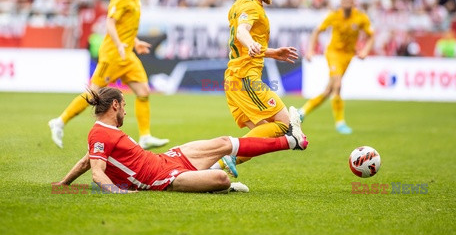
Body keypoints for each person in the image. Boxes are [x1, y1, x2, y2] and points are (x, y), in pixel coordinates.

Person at [54, 87, 308, 193]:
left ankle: (290, 141)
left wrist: (64, 182)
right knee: (221, 179)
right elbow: (97, 172)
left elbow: (87, 161)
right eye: (125, 107)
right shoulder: (99, 133)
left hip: (167, 159)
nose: (126, 112)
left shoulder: (103, 133)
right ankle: (216, 183)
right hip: (163, 179)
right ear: (116, 105)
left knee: (223, 142)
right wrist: (118, 193)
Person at [49, 0, 168, 149]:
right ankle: (59, 121)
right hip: (112, 55)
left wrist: (135, 42)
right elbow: (110, 23)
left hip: (127, 55)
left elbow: (124, 27)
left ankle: (145, 136)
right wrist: (119, 44)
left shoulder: (136, 0)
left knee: (143, 91)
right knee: (93, 94)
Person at [221, 0, 299, 176]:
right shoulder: (251, 8)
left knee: (262, 133)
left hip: (234, 79)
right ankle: (226, 158)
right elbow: (241, 33)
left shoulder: (238, 5)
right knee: (284, 124)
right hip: (245, 78)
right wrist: (251, 43)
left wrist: (271, 52)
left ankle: (210, 169)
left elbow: (243, 40)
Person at [298, 0, 374, 134]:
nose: (346, 4)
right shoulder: (334, 16)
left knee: (329, 90)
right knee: (338, 85)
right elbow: (317, 31)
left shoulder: (361, 18)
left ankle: (302, 112)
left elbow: (371, 35)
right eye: (344, 1)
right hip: (333, 53)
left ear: (353, 3)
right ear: (341, 3)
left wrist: (365, 51)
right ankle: (340, 123)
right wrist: (310, 50)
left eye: (349, 2)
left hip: (348, 56)